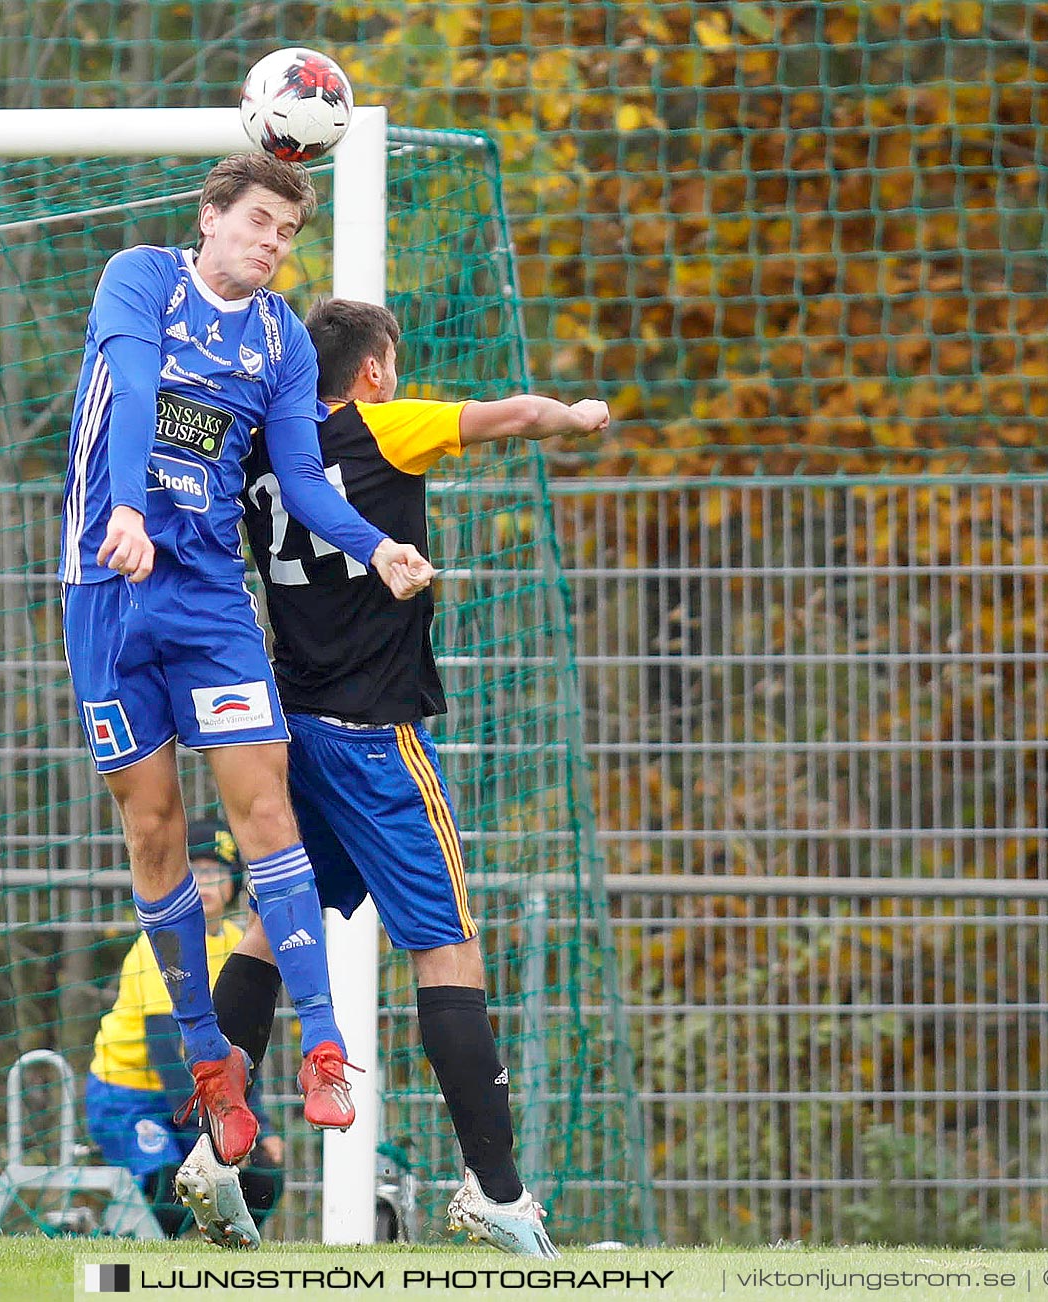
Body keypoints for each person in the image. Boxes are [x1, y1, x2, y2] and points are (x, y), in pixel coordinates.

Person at [172, 297, 609, 1256]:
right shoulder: (380, 426)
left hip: (292, 729)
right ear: (373, 372)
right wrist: (576, 416)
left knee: (272, 926)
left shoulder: (254, 454)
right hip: (375, 740)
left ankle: (215, 1151)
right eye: (394, 363)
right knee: (449, 945)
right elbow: (510, 416)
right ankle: (496, 1193)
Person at [59, 153, 438, 1171]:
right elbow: (135, 386)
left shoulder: (279, 339)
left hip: (210, 605)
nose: (273, 245)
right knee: (155, 830)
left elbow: (306, 481)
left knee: (264, 810)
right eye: (260, 223)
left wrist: (375, 546)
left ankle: (321, 1044)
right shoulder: (139, 279)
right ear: (212, 217)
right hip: (109, 590)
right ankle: (209, 1067)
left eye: (287, 233)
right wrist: (128, 511)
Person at [85, 820, 285, 1244]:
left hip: (204, 1101)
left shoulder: (239, 945)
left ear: (234, 881)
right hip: (132, 1097)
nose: (206, 881)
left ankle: (226, 1269)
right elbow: (166, 1052)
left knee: (265, 1174)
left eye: (217, 871)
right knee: (169, 1189)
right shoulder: (162, 944)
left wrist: (259, 1125)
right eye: (194, 869)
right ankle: (115, 1258)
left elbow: (246, 1050)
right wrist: (213, 1131)